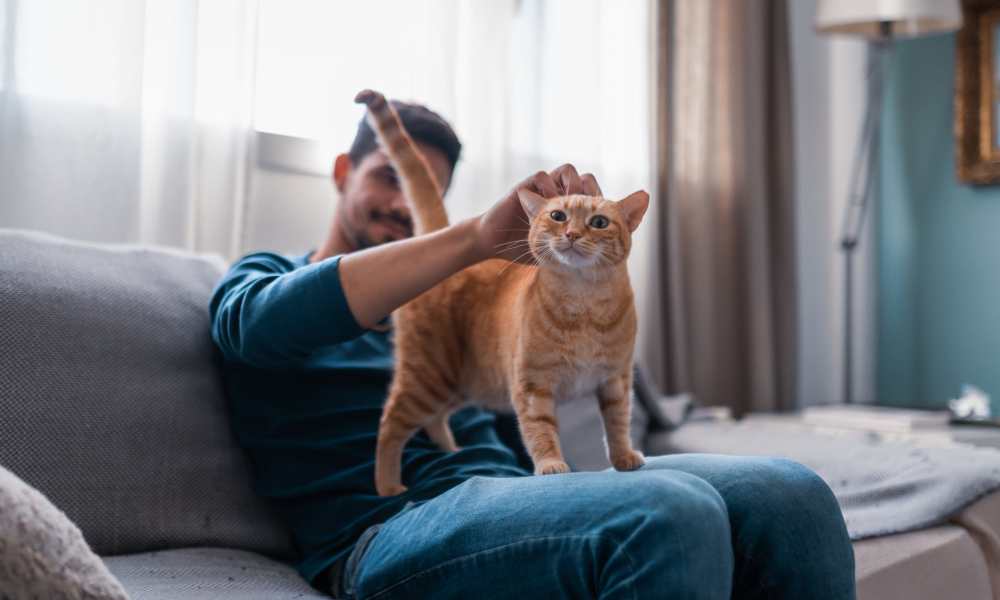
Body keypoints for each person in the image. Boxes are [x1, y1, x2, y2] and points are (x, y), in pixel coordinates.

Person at [208, 100, 856, 599]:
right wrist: (469, 241)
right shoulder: (262, 277)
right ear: (344, 172)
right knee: (666, 513)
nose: (405, 204)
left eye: (427, 191)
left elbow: (523, 400)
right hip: (383, 537)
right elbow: (260, 329)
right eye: (389, 178)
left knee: (790, 494)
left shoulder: (457, 301)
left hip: (507, 499)